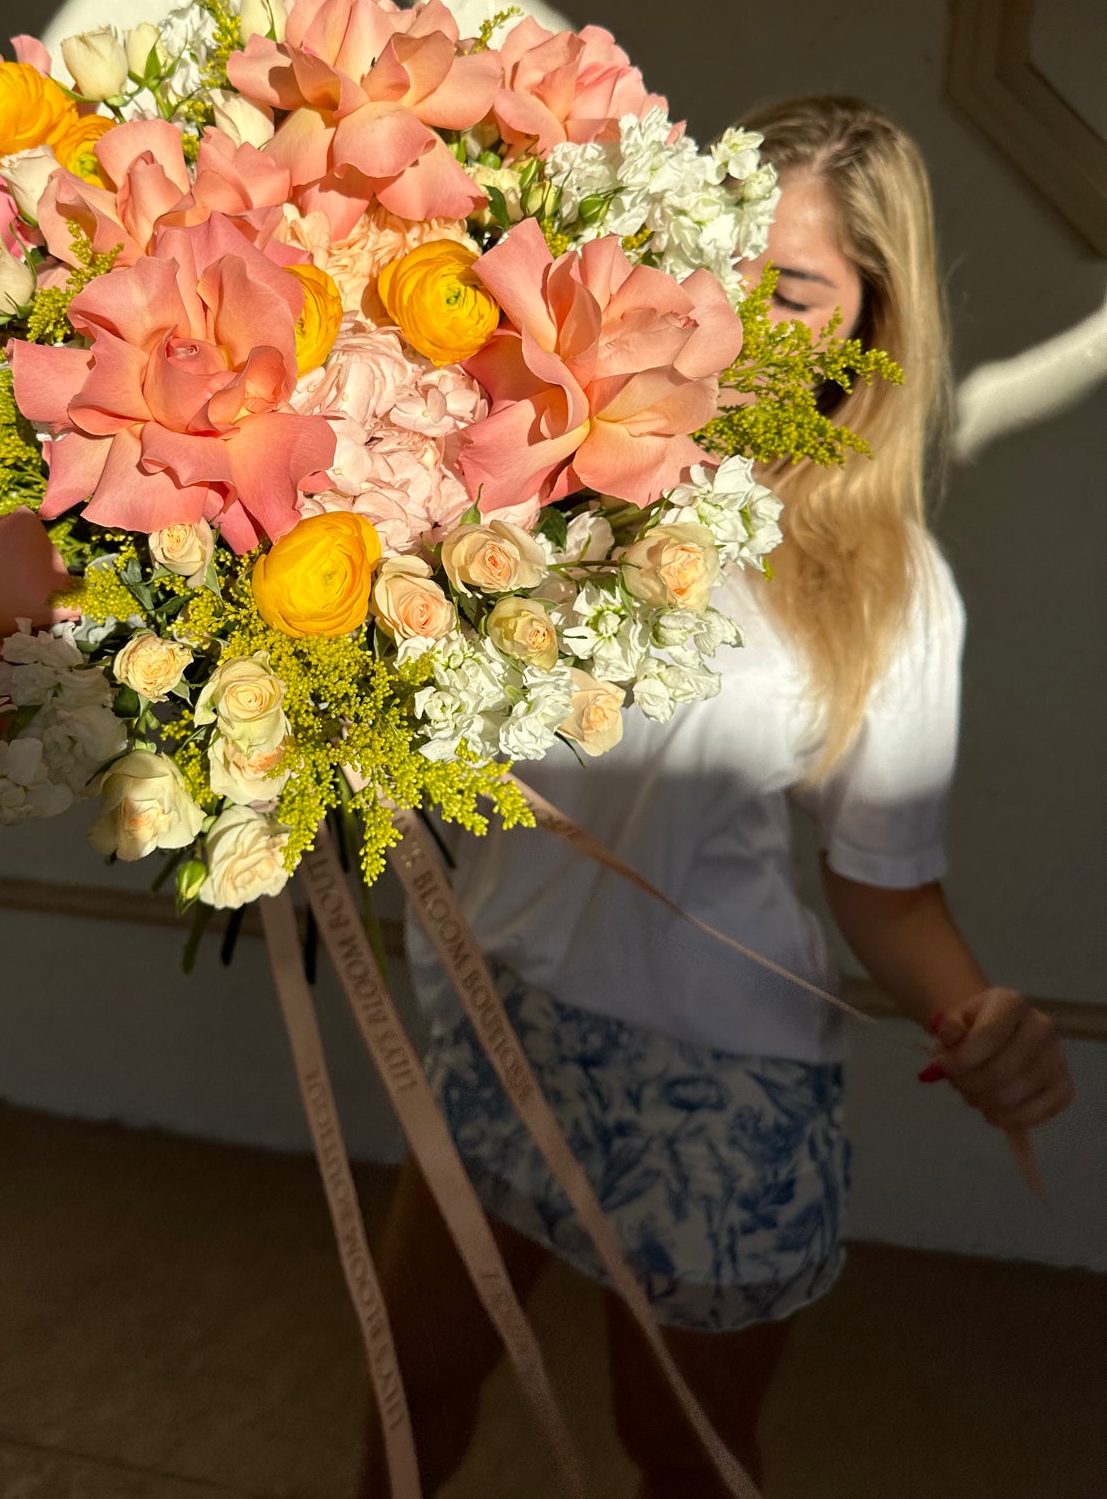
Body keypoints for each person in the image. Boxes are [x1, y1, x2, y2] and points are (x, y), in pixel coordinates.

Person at [356, 96, 1076, 1499]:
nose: (732, 320)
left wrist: (981, 1020)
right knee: (410, 1385)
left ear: (868, 321)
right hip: (488, 1009)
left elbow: (882, 881)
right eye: (716, 265)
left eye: (790, 291)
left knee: (679, 1452)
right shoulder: (534, 471)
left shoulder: (887, 584)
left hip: (714, 1075)